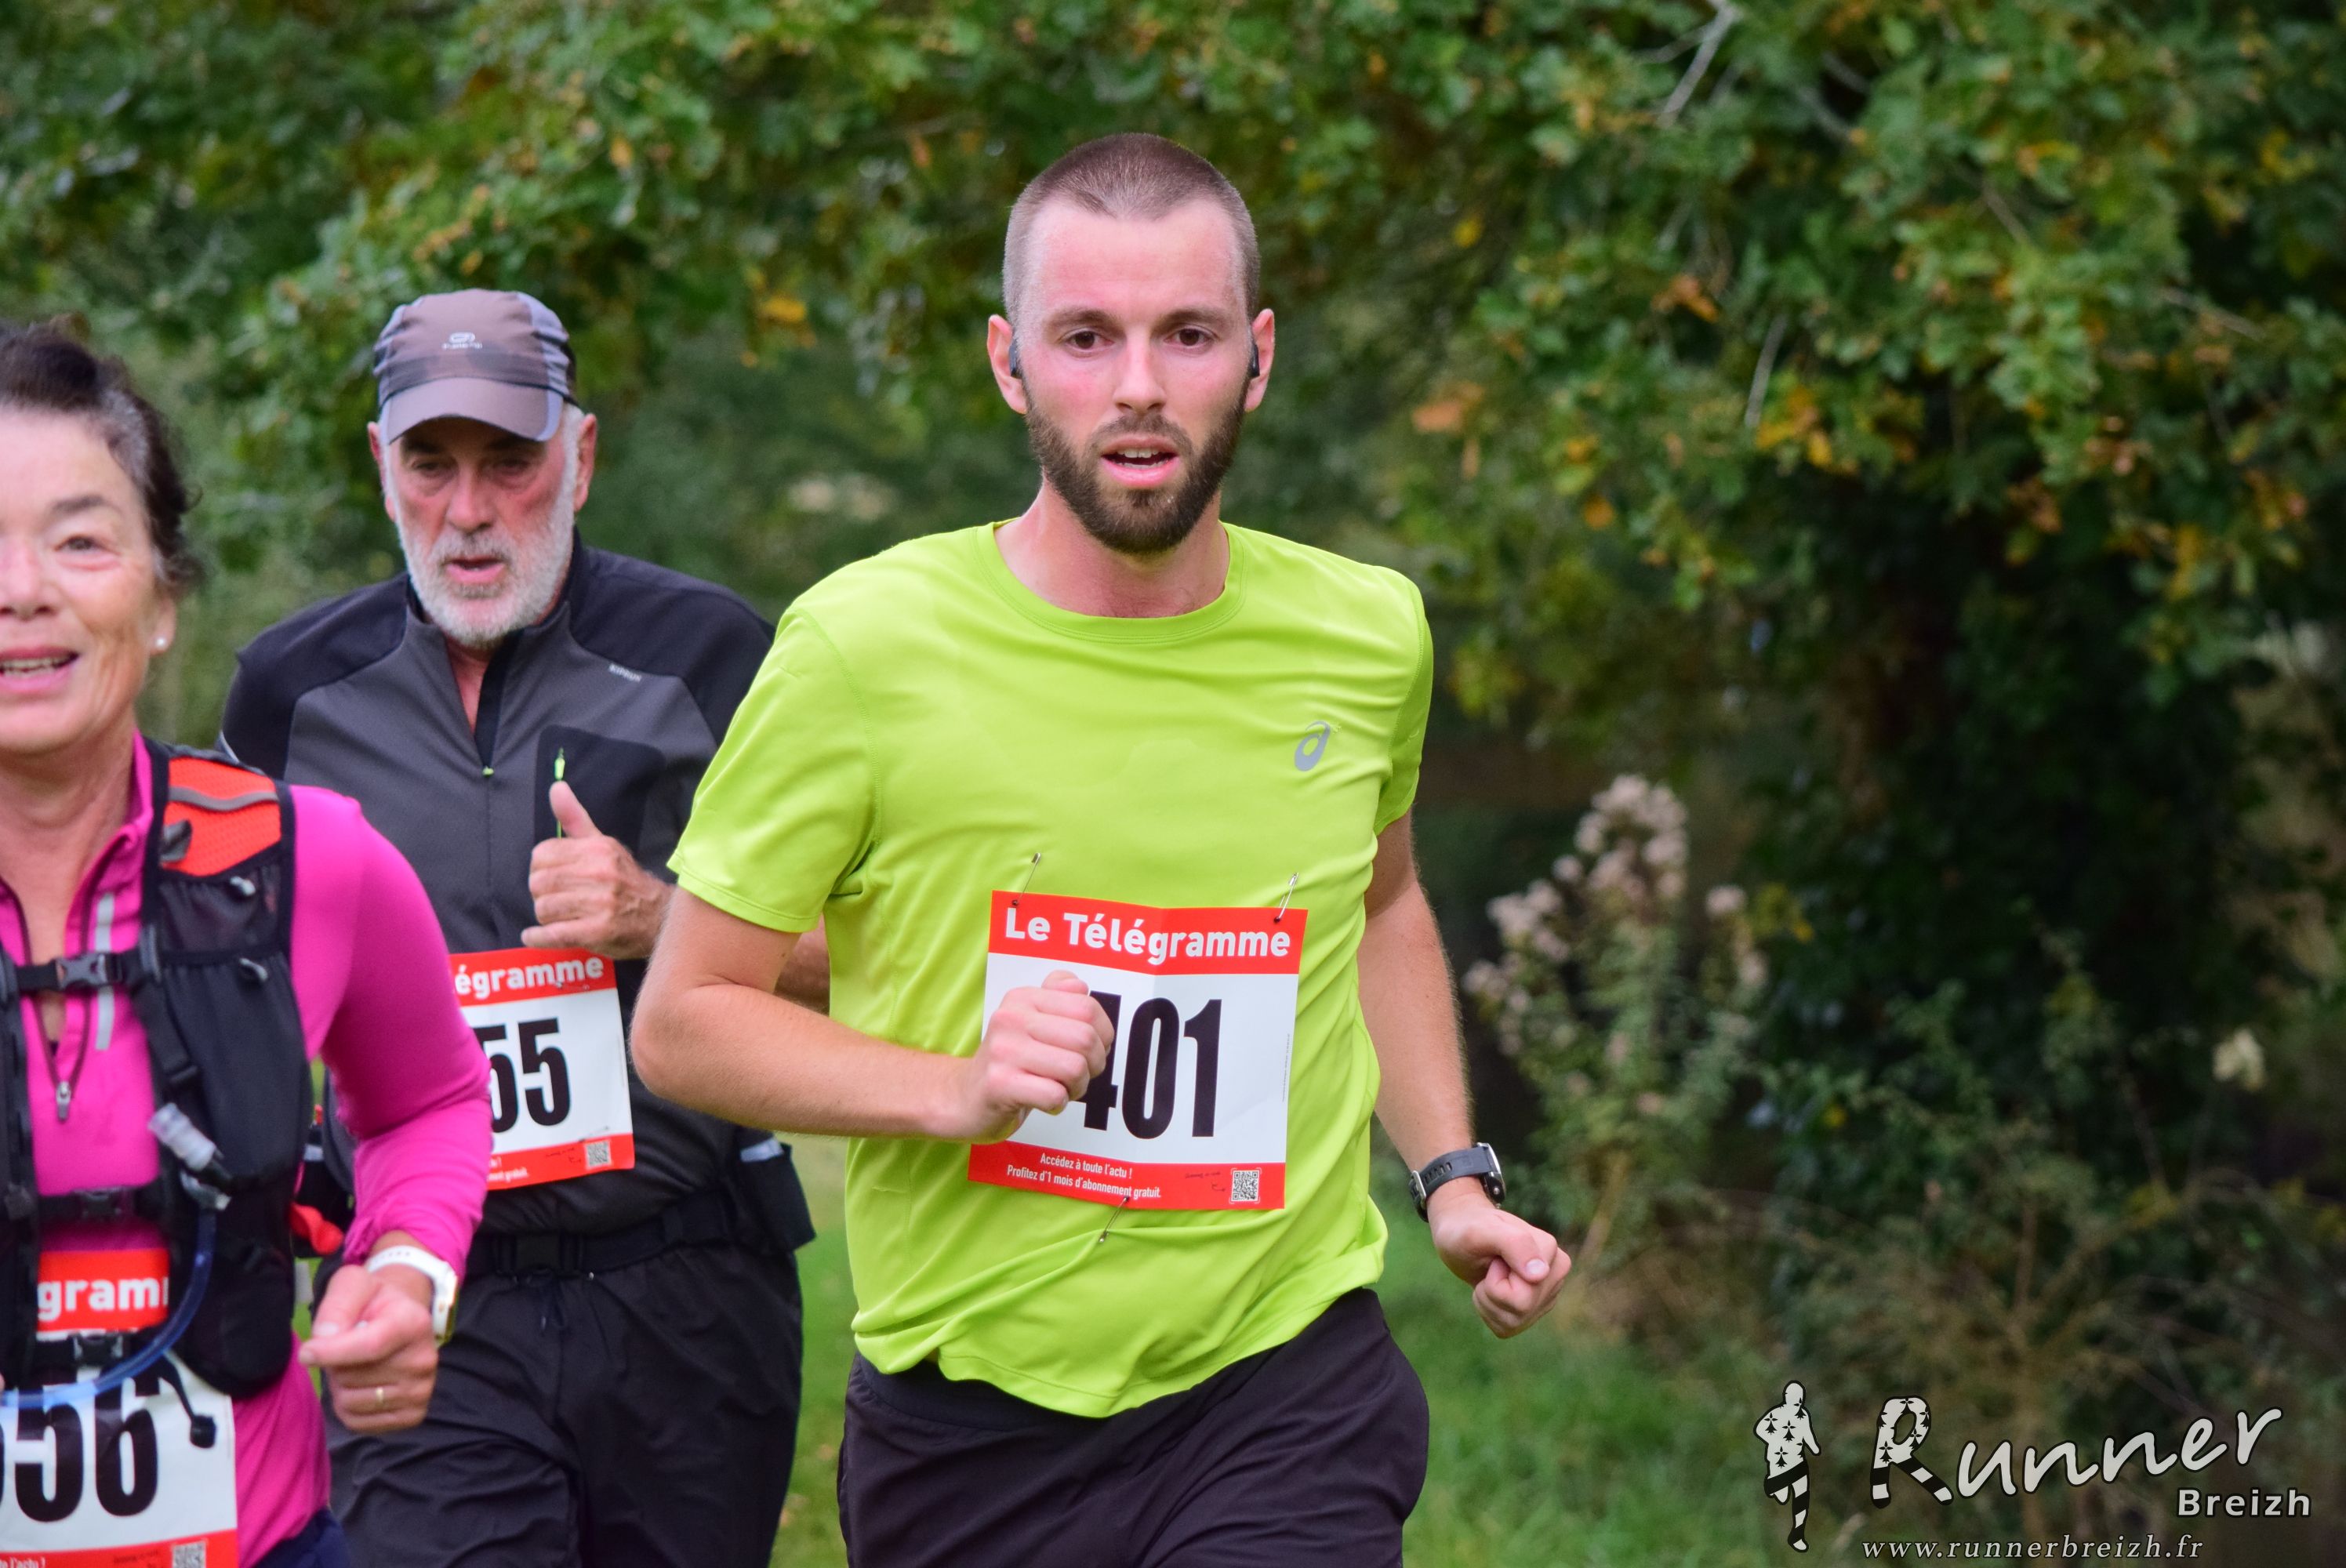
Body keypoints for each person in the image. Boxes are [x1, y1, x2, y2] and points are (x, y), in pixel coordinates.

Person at [633, 133, 1570, 1568]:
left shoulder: (1367, 634)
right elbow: (686, 1019)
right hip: (975, 1425)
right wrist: (958, 1087)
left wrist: (1452, 1177)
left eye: (1187, 334)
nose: (1139, 385)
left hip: (1285, 1386)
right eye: (1086, 337)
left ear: (1256, 359)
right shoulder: (860, 649)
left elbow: (1380, 907)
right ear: (1010, 363)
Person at [220, 289, 818, 1568]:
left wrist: (660, 916)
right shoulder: (288, 693)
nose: (470, 510)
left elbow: (866, 962)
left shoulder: (712, 655)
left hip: (689, 1294)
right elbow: (215, 982)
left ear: (581, 458)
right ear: (382, 467)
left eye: (510, 461)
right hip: (430, 1297)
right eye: (431, 464)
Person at [0, 322, 489, 1566]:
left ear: (163, 599)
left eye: (80, 541)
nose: (23, 590)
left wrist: (409, 1268)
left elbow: (431, 1099)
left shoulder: (312, 859)